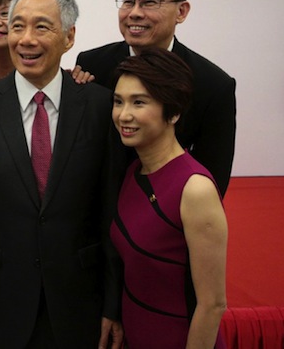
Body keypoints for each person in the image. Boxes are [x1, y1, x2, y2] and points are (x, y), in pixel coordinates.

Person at [0, 0, 125, 348]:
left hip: (80, 301)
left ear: (69, 36)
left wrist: (113, 305)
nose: (26, 40)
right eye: (17, 26)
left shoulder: (99, 105)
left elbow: (111, 212)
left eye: (42, 27)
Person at [74, 0, 236, 196]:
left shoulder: (212, 84)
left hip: (165, 209)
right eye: (128, 2)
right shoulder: (92, 64)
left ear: (181, 11)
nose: (135, 13)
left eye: (150, 2)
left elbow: (213, 178)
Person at [111, 47, 228, 348]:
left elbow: (212, 304)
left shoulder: (194, 188)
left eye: (139, 102)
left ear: (174, 112)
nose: (124, 115)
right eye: (118, 101)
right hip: (134, 334)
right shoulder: (134, 170)